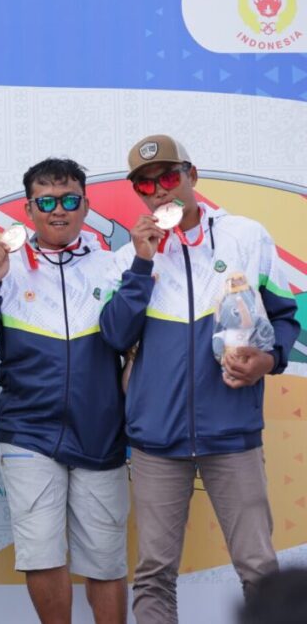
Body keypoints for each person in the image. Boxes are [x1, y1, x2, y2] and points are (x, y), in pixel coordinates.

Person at [100, 134, 301, 624]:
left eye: (169, 177)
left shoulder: (246, 236)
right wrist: (143, 262)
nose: (160, 191)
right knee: (154, 574)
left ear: (192, 175)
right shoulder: (128, 257)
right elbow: (115, 335)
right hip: (155, 439)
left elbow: (284, 317)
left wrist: (268, 360)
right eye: (146, 185)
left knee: (259, 570)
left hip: (232, 432)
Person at [0, 158, 128, 624]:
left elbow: (130, 338)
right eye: (47, 201)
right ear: (29, 209)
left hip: (101, 432)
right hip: (29, 431)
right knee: (41, 554)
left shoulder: (111, 263)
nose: (60, 210)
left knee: (106, 560)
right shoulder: (5, 265)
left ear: (86, 206)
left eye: (70, 200)